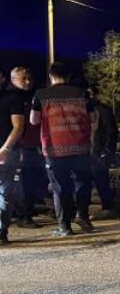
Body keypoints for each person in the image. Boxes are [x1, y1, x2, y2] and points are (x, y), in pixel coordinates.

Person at [30, 62, 94, 237]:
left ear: (51, 76)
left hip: (54, 149)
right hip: (81, 146)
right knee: (83, 182)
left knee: (60, 187)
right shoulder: (81, 94)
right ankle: (82, 215)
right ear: (68, 76)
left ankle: (64, 227)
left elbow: (34, 121)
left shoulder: (41, 95)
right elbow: (93, 117)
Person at [10, 67, 48, 228]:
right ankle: (23, 216)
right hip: (19, 147)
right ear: (13, 80)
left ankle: (26, 213)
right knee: (23, 184)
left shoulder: (34, 96)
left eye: (29, 78)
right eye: (23, 79)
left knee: (32, 182)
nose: (27, 82)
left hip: (34, 146)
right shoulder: (12, 98)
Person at [86, 86, 119, 218]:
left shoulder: (103, 110)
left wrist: (107, 150)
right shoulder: (83, 110)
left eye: (90, 94)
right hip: (88, 151)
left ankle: (108, 206)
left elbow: (111, 131)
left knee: (101, 179)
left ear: (95, 95)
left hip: (99, 151)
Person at [0, 82, 25, 245]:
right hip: (8, 151)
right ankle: (1, 231)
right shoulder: (13, 98)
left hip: (7, 151)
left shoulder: (12, 98)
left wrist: (5, 148)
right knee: (5, 192)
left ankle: (1, 230)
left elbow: (18, 126)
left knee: (5, 191)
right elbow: (18, 126)